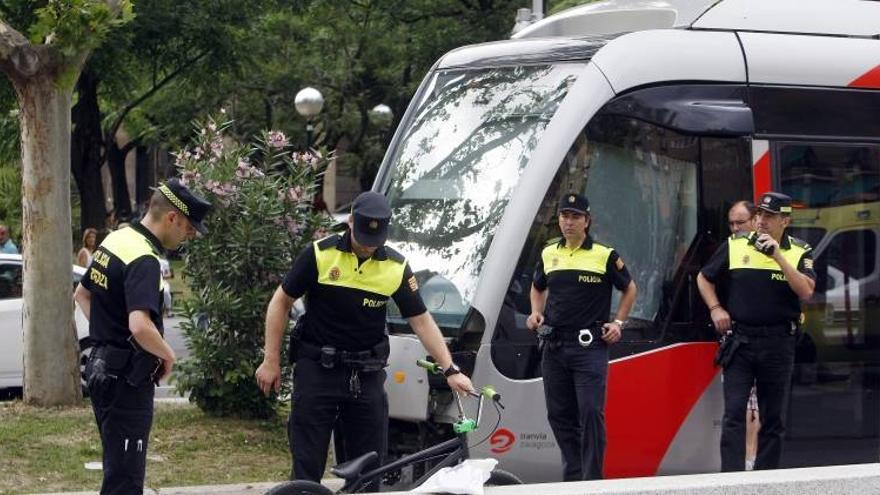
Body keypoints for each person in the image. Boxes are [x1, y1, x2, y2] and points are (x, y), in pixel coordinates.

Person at [256, 191, 474, 486]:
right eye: (363, 238)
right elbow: (280, 303)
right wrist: (270, 360)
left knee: (370, 471)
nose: (369, 247)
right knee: (306, 468)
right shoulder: (321, 254)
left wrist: (450, 369)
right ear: (351, 222)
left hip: (365, 375)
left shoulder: (395, 267)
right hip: (318, 371)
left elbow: (421, 320)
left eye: (376, 241)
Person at [74, 179, 211, 494]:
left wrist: (109, 337)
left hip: (101, 369)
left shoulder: (116, 239)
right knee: (125, 480)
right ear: (172, 217)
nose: (190, 234)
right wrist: (167, 354)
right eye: (189, 227)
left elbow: (82, 294)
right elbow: (140, 324)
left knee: (116, 471)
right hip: (126, 381)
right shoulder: (145, 259)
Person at [697, 191, 815, 471]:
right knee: (734, 414)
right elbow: (704, 277)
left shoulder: (800, 250)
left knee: (773, 418)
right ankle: (731, 481)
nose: (761, 221)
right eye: (760, 215)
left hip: (778, 343)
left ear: (785, 220)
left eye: (769, 217)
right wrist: (715, 308)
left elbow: (806, 291)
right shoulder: (736, 244)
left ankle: (765, 480)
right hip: (741, 341)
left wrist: (778, 257)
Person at [526, 193, 637, 481]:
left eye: (575, 216)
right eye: (564, 216)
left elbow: (630, 288)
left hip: (589, 348)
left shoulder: (604, 254)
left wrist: (619, 323)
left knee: (590, 414)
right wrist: (535, 312)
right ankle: (574, 479)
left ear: (587, 221)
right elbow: (537, 288)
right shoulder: (549, 252)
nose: (569, 222)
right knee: (559, 416)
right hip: (554, 346)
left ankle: (592, 481)